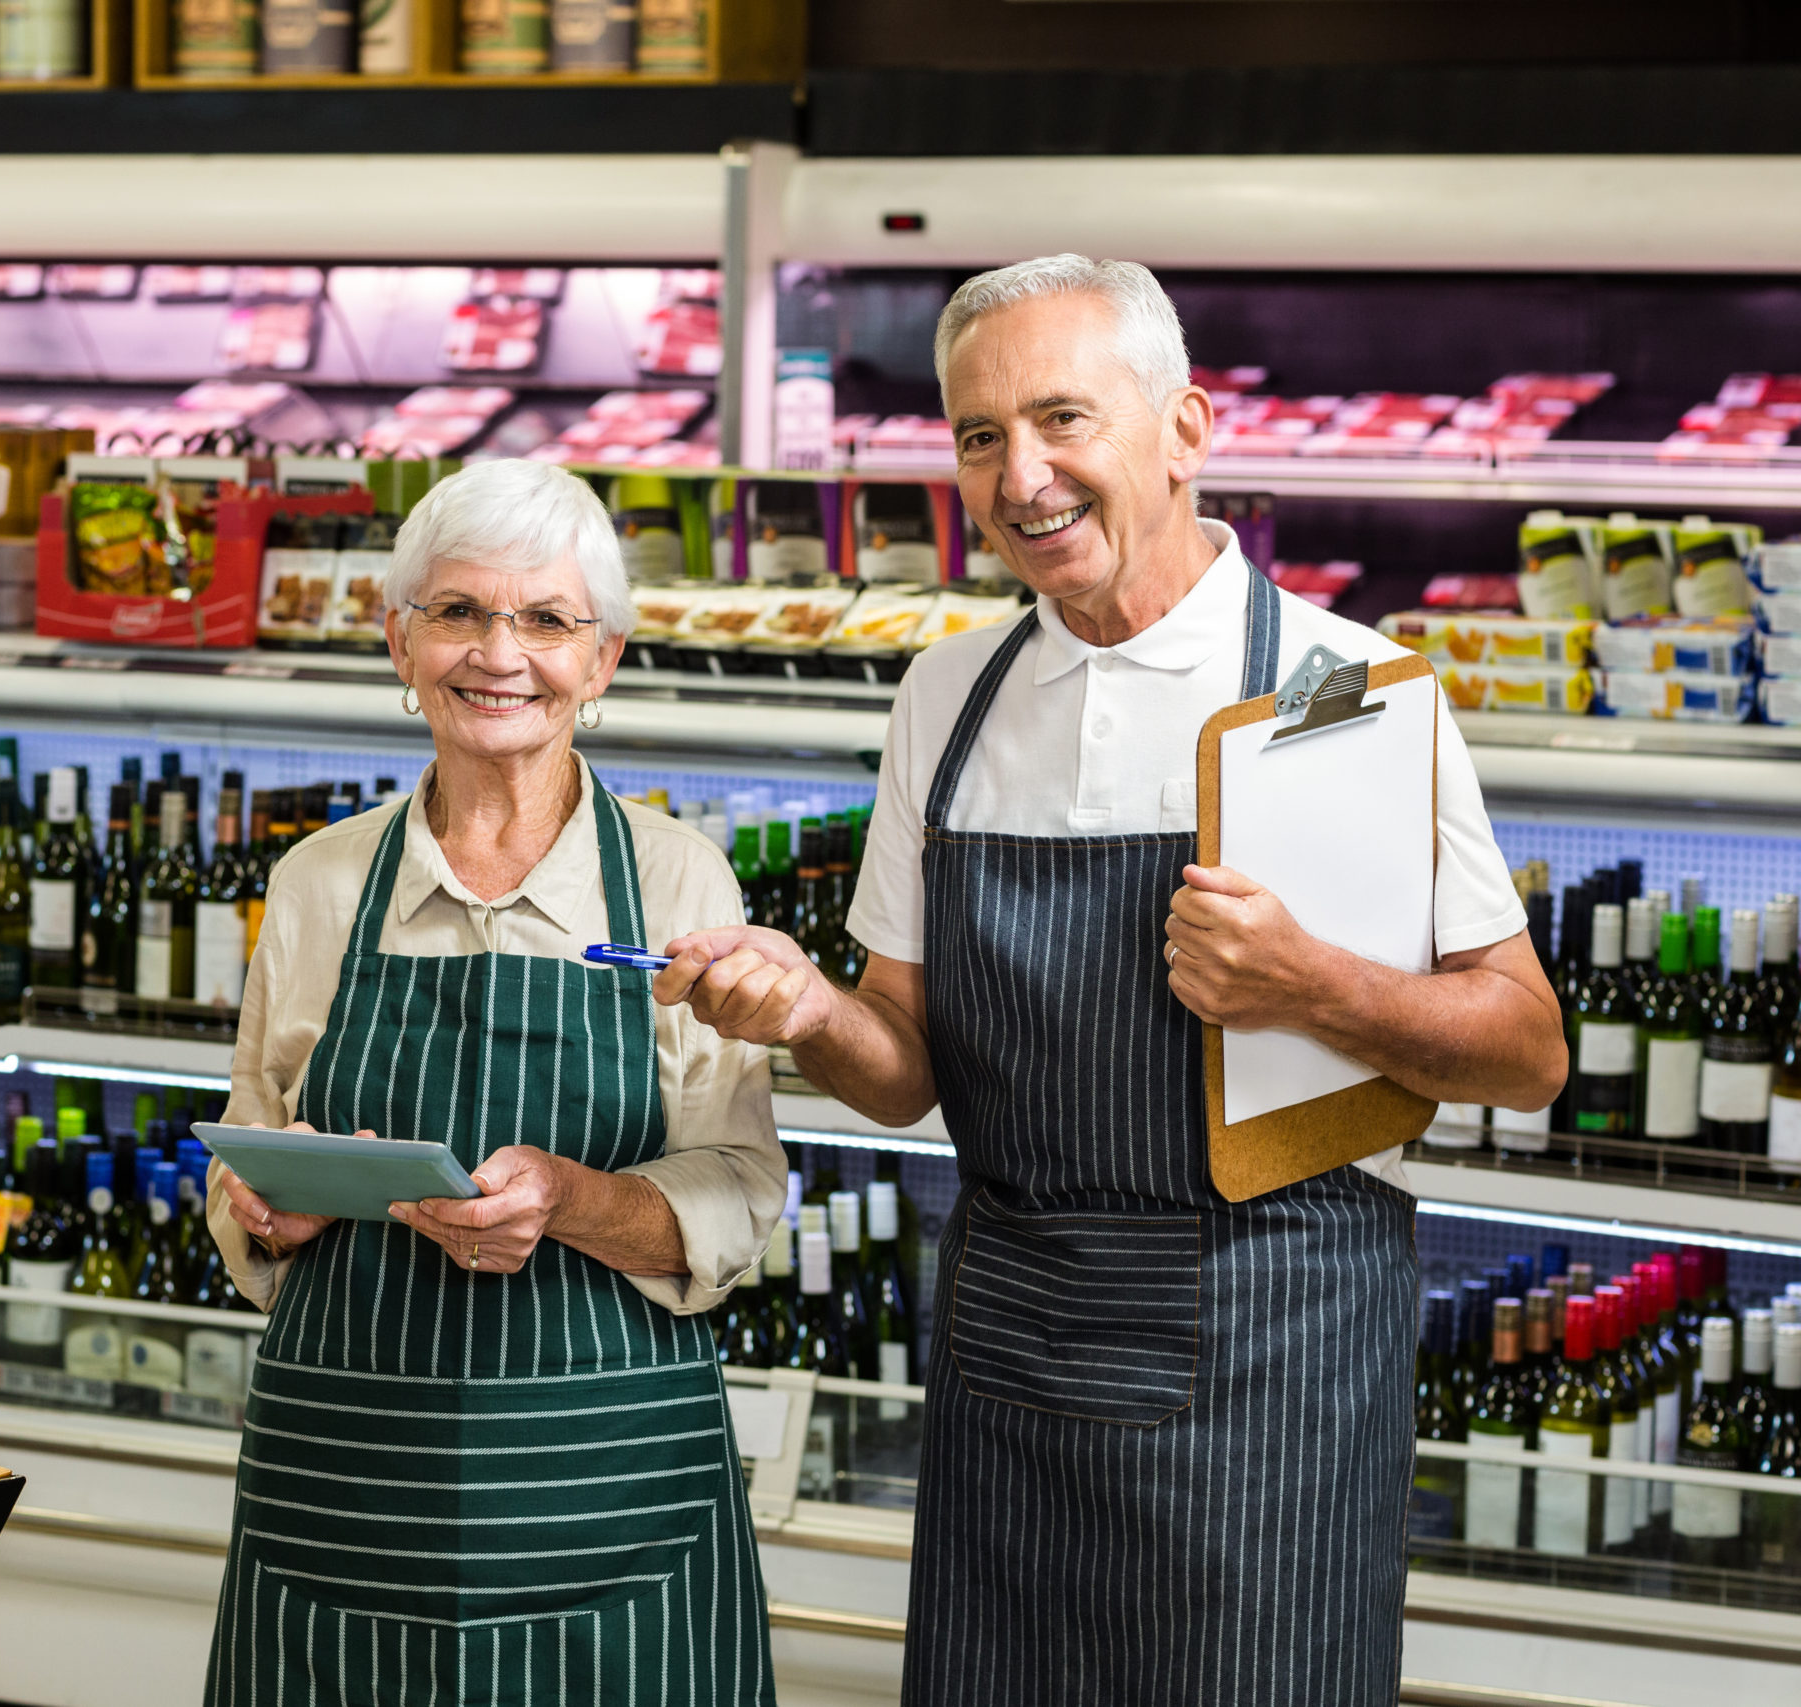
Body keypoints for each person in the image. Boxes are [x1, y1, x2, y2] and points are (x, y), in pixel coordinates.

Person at [658, 255, 1569, 1706]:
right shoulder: (945, 700)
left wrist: (1313, 980)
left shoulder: (1344, 690)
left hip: (1275, 1340)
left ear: (1184, 429)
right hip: (1014, 1324)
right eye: (977, 435)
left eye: (1063, 418)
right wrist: (809, 1008)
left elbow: (1527, 1046)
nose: (1023, 475)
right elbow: (902, 1072)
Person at [202, 456, 784, 1707]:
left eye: (545, 620)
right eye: (459, 612)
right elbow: (245, 1150)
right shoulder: (317, 882)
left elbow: (742, 1188)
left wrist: (573, 1201)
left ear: (605, 658)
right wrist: (269, 1208)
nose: (497, 654)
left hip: (613, 1506)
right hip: (346, 1498)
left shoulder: (681, 884)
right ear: (399, 641)